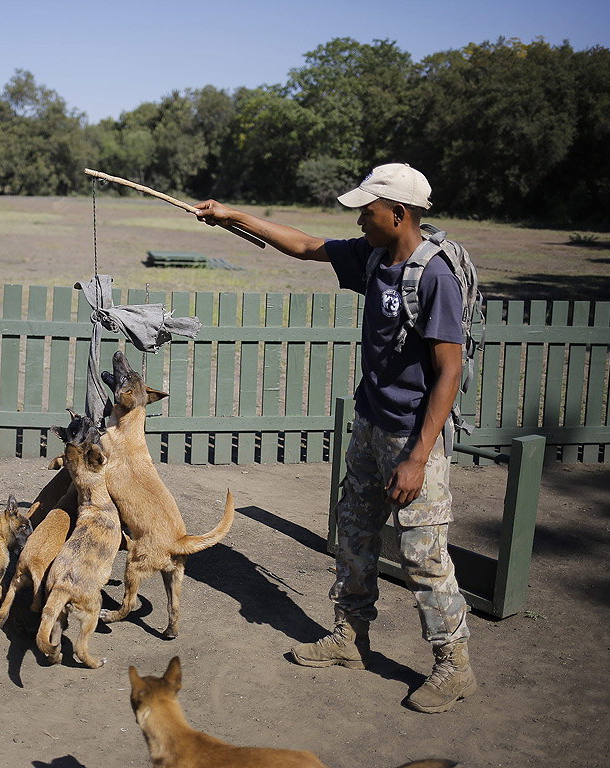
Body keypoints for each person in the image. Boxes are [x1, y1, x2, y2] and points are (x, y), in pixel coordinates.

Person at [194, 163, 476, 714]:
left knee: (422, 554)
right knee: (352, 534)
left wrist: (418, 457)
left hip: (413, 438)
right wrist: (232, 217)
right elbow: (303, 246)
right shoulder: (373, 257)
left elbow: (450, 371)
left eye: (367, 211)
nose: (359, 219)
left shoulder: (434, 276)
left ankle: (454, 663)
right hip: (371, 426)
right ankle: (350, 638)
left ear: (398, 213)